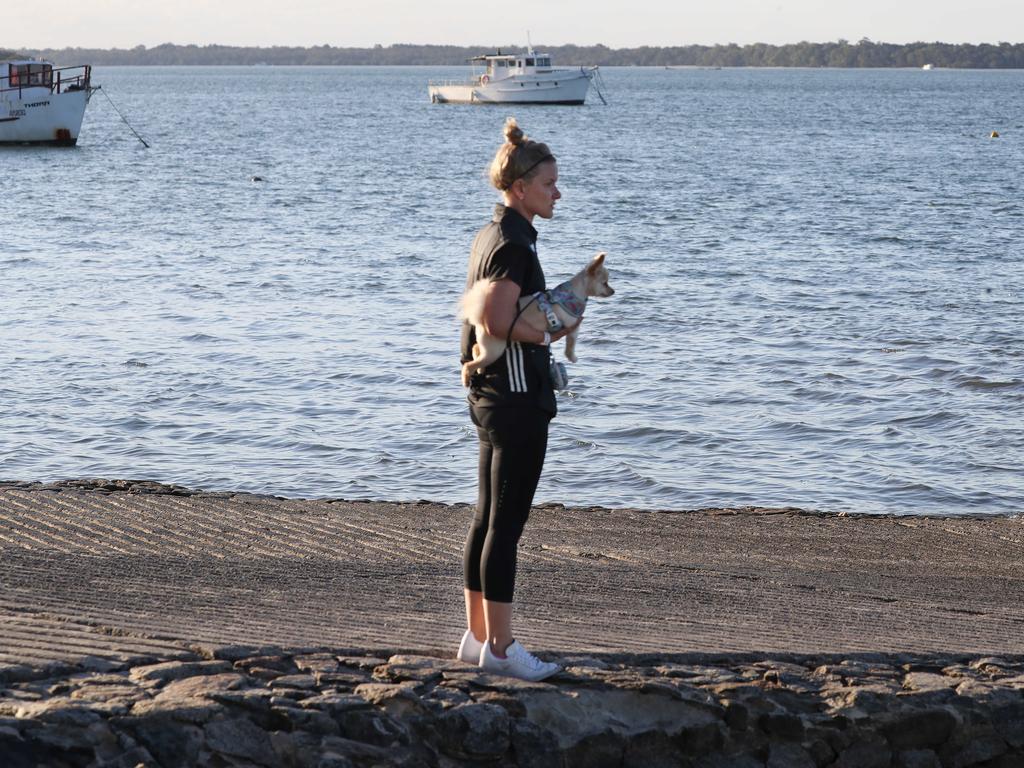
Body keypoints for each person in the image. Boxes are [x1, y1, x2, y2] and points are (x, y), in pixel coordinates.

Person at [457, 117, 581, 681]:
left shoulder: (491, 233)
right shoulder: (512, 242)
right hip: (514, 397)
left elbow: (483, 314)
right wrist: (556, 324)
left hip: (488, 394)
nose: (559, 193)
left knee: (487, 518)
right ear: (521, 188)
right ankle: (503, 652)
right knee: (505, 525)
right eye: (551, 184)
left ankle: (477, 639)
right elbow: (498, 318)